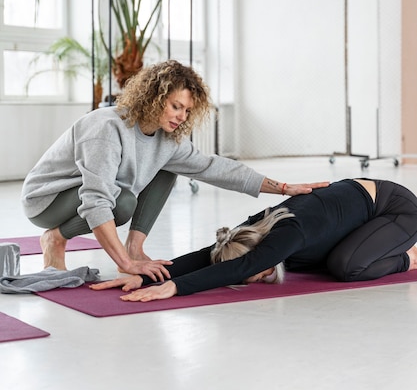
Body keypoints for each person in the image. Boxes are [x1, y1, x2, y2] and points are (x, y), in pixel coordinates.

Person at [21, 59, 329, 279]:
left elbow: (212, 167)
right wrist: (125, 266)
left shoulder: (167, 139)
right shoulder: (106, 128)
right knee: (123, 202)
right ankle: (55, 238)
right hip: (47, 200)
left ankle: (136, 247)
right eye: (175, 106)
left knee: (169, 168)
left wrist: (283, 187)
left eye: (187, 110)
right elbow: (97, 199)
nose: (182, 116)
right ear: (154, 98)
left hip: (92, 196)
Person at [90, 178, 417, 301]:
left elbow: (240, 266)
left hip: (395, 209)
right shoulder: (251, 229)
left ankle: (409, 255)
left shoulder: (288, 234)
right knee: (319, 259)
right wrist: (145, 274)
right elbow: (213, 254)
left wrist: (174, 288)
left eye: (255, 273)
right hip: (354, 211)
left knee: (346, 267)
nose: (258, 276)